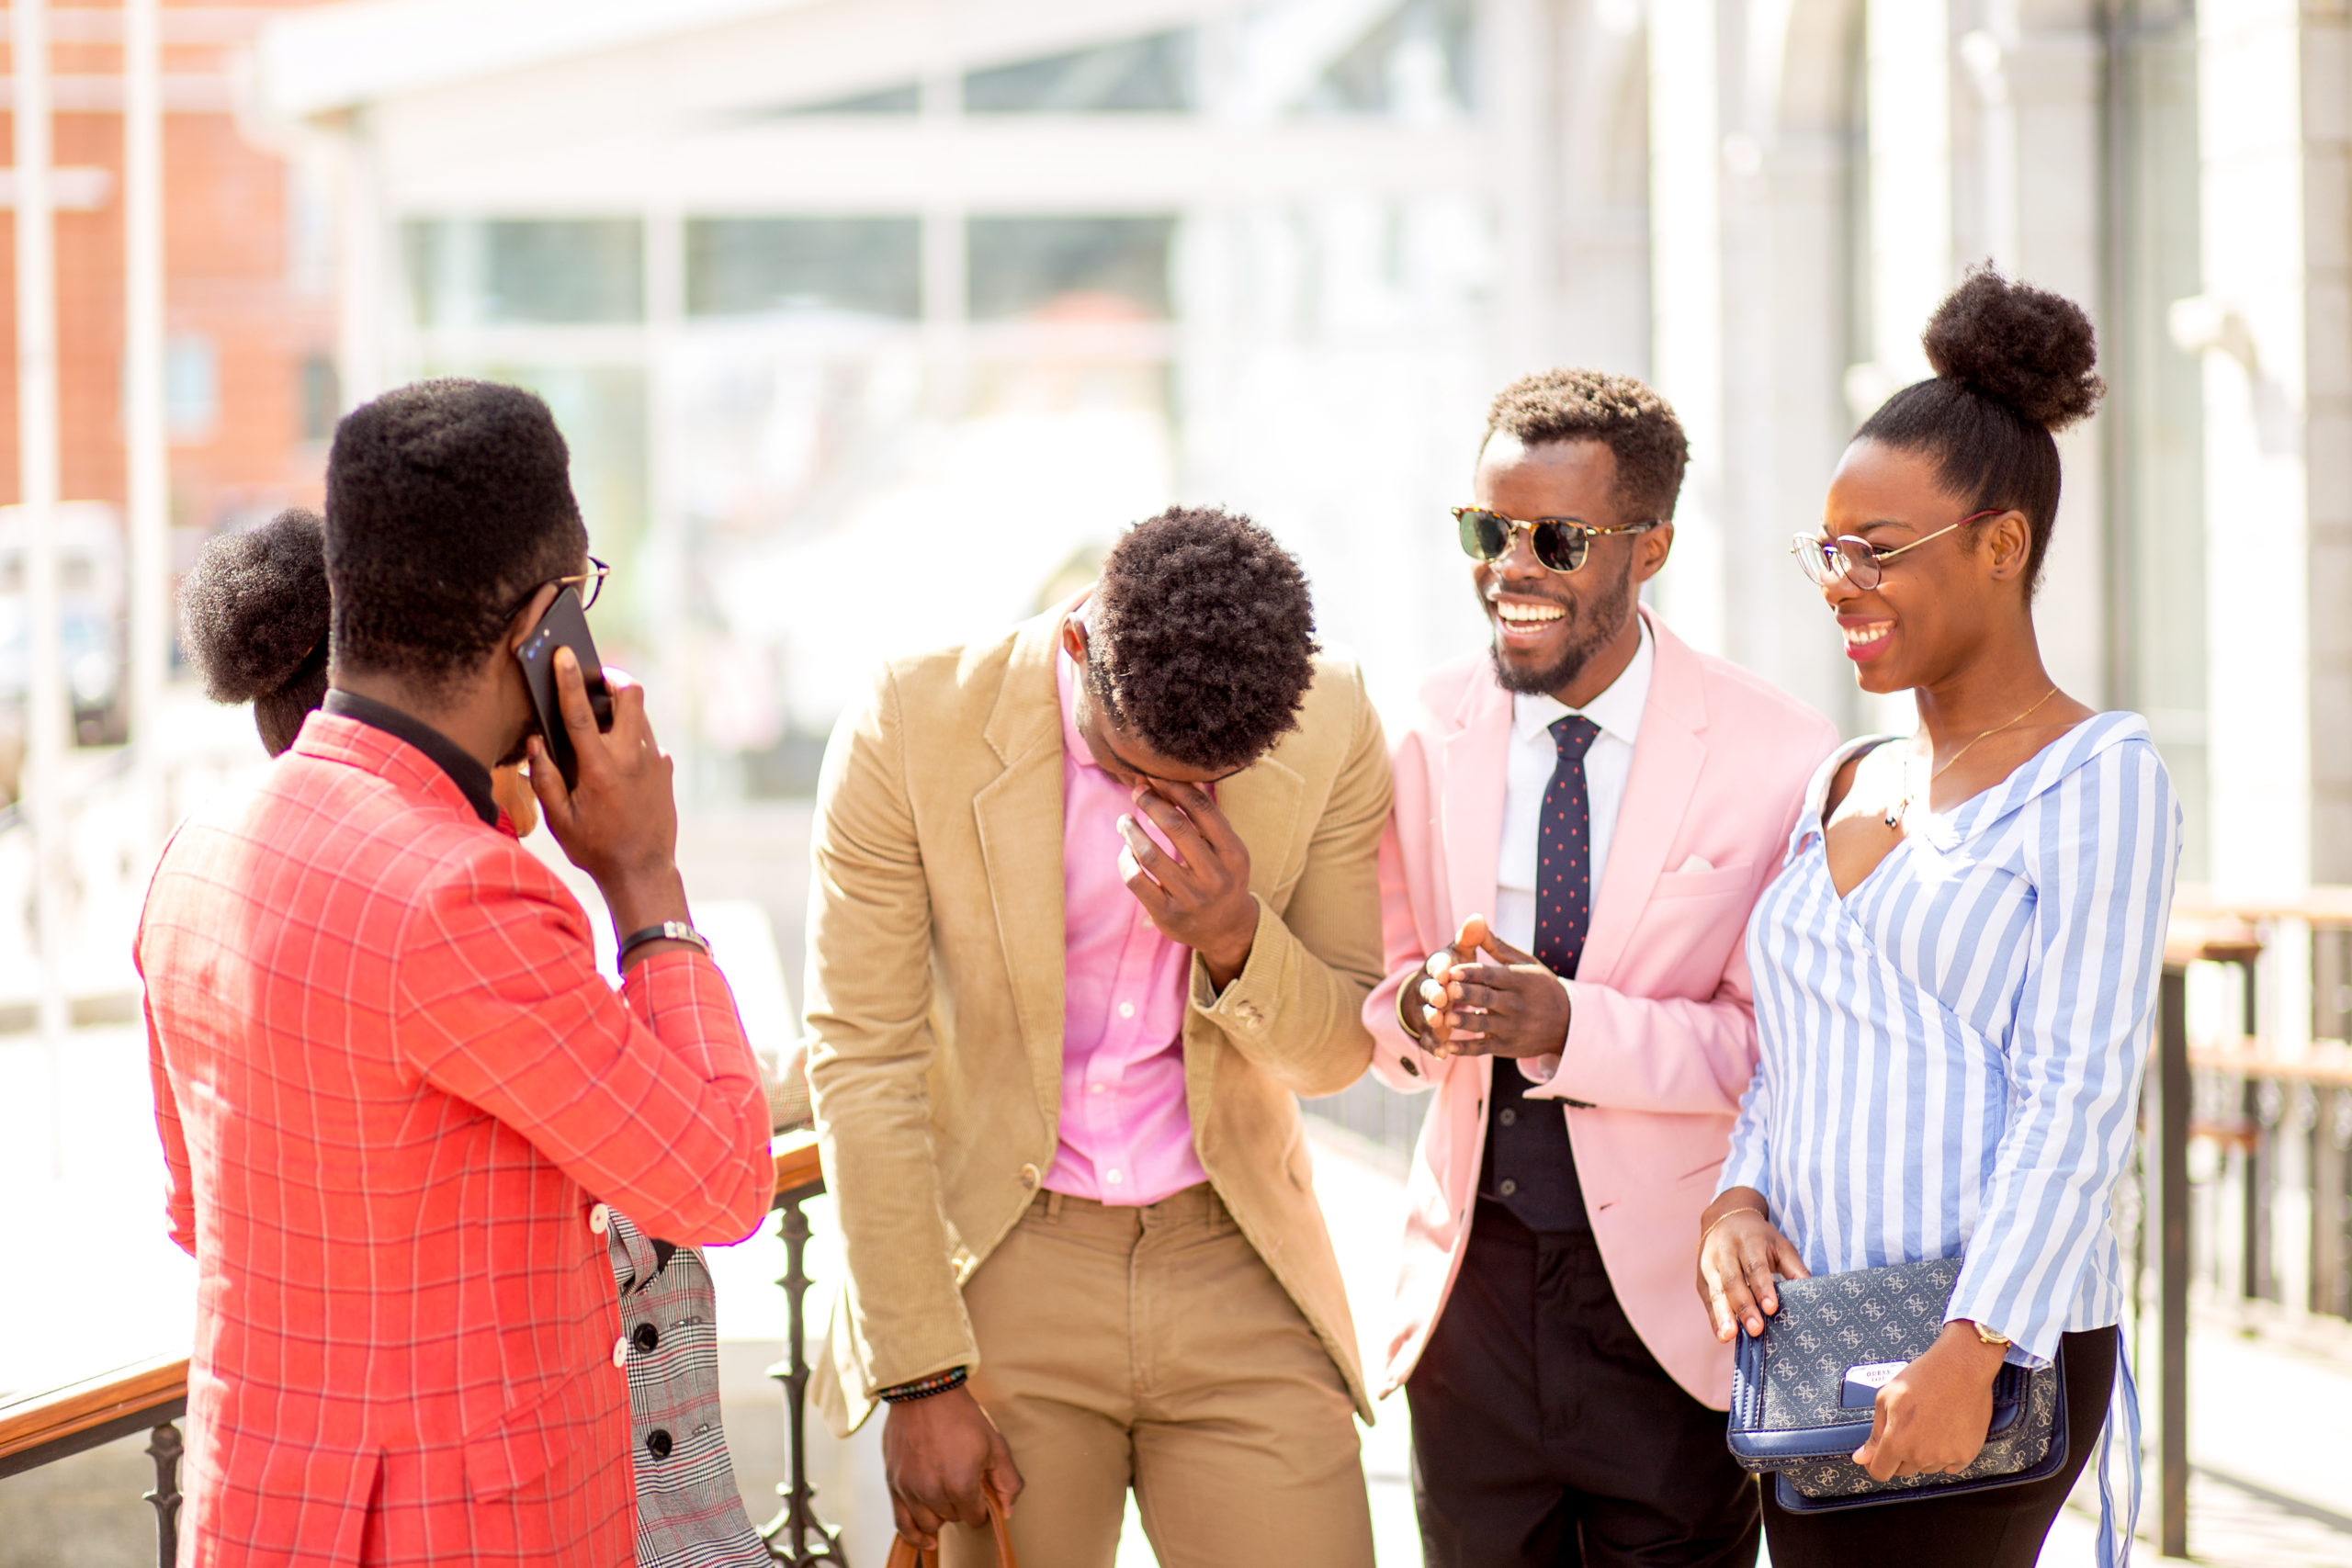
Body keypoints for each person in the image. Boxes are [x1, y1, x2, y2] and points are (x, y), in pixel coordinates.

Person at [140, 380, 774, 1566]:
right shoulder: (467, 892)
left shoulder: (204, 845)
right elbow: (722, 1179)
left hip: (260, 1509)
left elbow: (199, 1212)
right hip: (471, 1528)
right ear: (545, 620)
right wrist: (644, 878)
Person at [1696, 271, 2180, 1568]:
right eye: (1828, 548)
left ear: (2001, 544)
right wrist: (1738, 1193)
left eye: (1879, 549)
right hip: (1814, 1339)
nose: (1840, 580)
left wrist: (1975, 1344)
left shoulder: (2099, 775)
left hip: (1983, 1349)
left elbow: (2078, 1093)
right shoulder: (1841, 776)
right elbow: (1790, 1056)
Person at [803, 505, 1392, 1568]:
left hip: (1236, 1259)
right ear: (1076, 643)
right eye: (1140, 765)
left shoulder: (1333, 709)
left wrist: (1233, 939)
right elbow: (864, 1058)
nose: (1176, 798)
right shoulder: (914, 715)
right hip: (999, 1264)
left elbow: (1340, 1049)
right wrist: (920, 1375)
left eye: (1213, 777)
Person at [1363, 368, 1838, 1567]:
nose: (1508, 567)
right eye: (1486, 530)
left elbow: (1775, 1048)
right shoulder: (1420, 727)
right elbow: (1383, 1006)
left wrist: (1567, 1020)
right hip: (1469, 1310)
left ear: (1653, 544)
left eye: (1556, 538)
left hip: (1679, 1310)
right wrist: (1420, 1005)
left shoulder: (1777, 750)